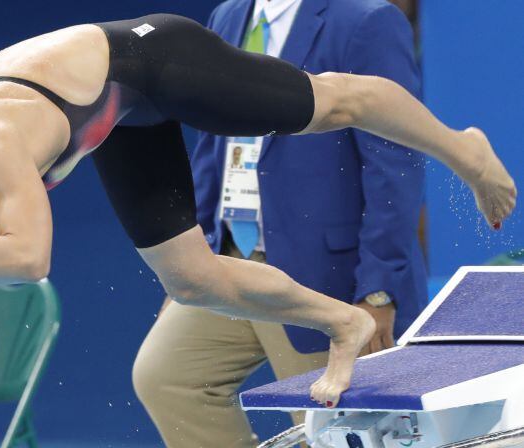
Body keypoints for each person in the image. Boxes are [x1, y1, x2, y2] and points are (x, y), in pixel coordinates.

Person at [0, 13, 515, 409]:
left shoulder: (0, 131)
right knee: (192, 280)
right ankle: (344, 322)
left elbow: (28, 259)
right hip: (113, 118)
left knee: (333, 103)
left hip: (151, 64)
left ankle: (465, 149)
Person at [131, 1, 428, 446]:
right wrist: (194, 264)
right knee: (167, 376)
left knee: (325, 428)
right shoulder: (228, 16)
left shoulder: (366, 20)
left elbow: (396, 163)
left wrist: (379, 287)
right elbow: (215, 148)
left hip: (324, 275)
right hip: (232, 263)